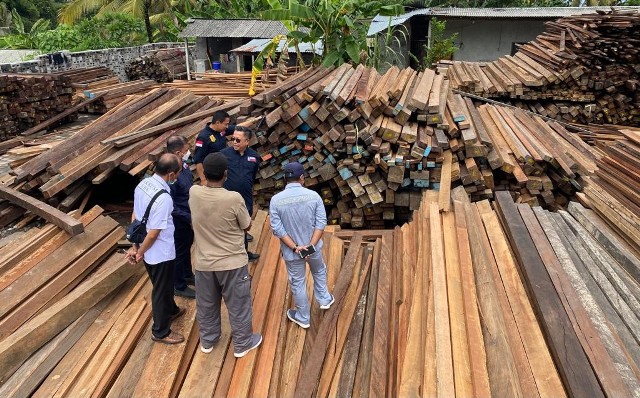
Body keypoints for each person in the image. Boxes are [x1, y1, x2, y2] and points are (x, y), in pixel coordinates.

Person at [189, 152, 262, 358]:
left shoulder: (194, 193)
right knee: (238, 304)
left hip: (204, 264)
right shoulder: (233, 198)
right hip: (232, 263)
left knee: (206, 304)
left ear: (203, 172)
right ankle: (242, 344)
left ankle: (208, 341)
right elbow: (247, 225)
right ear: (226, 174)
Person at [126, 153, 185, 345]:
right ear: (170, 174)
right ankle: (160, 331)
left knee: (162, 284)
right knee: (161, 289)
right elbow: (153, 233)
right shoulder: (164, 198)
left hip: (147, 248)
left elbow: (135, 216)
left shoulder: (142, 184)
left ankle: (172, 310)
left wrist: (135, 247)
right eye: (177, 172)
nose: (178, 175)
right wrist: (140, 252)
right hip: (160, 252)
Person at [268, 162, 334, 329]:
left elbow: (277, 229)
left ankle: (303, 317)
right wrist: (310, 245)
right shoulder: (314, 196)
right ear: (302, 178)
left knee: (297, 282)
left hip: (292, 252)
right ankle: (324, 299)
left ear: (285, 179)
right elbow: (321, 223)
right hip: (314, 248)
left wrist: (296, 247)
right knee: (319, 270)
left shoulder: (276, 201)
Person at [221, 126, 261, 261]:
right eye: (232, 139)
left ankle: (244, 253)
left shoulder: (254, 156)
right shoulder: (223, 154)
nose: (234, 142)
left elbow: (253, 174)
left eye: (238, 140)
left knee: (244, 226)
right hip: (227, 199)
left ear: (247, 141)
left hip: (245, 199)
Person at [166, 135, 196, 299]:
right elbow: (170, 205)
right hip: (179, 220)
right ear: (178, 152)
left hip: (188, 216)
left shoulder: (183, 166)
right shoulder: (170, 175)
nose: (188, 153)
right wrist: (187, 218)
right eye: (185, 151)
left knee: (186, 248)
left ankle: (187, 274)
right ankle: (179, 285)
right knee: (179, 252)